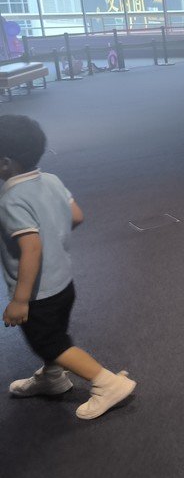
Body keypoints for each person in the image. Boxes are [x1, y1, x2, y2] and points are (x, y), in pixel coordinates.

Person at [0, 114, 136, 419]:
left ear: (6, 162)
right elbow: (76, 216)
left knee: (50, 342)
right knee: (55, 334)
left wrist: (20, 300)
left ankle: (107, 383)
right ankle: (52, 378)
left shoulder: (9, 200)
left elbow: (31, 248)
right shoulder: (51, 180)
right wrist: (52, 236)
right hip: (63, 283)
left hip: (38, 294)